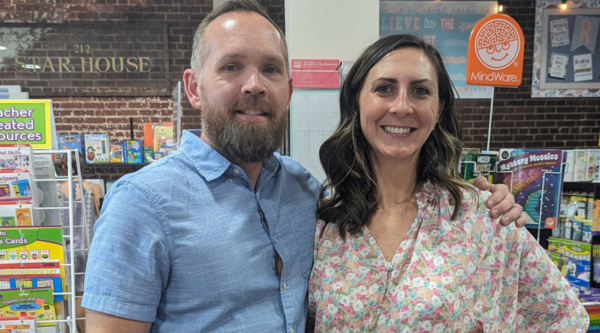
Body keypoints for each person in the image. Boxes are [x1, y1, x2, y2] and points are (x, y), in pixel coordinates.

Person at [82, 1, 523, 332]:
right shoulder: (141, 204)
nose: (254, 85)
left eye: (271, 69)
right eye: (232, 67)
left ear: (289, 90)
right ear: (194, 88)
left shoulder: (307, 192)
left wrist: (498, 203)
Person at [308, 34, 588, 332]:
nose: (402, 106)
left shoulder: (484, 217)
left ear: (438, 110)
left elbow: (564, 319)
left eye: (420, 91)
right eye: (384, 89)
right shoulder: (324, 222)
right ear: (356, 103)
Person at [55, 152, 103, 333]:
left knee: (65, 294)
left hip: (63, 249)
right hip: (88, 248)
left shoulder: (57, 189)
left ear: (66, 166)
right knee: (82, 294)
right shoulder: (93, 188)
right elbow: (102, 216)